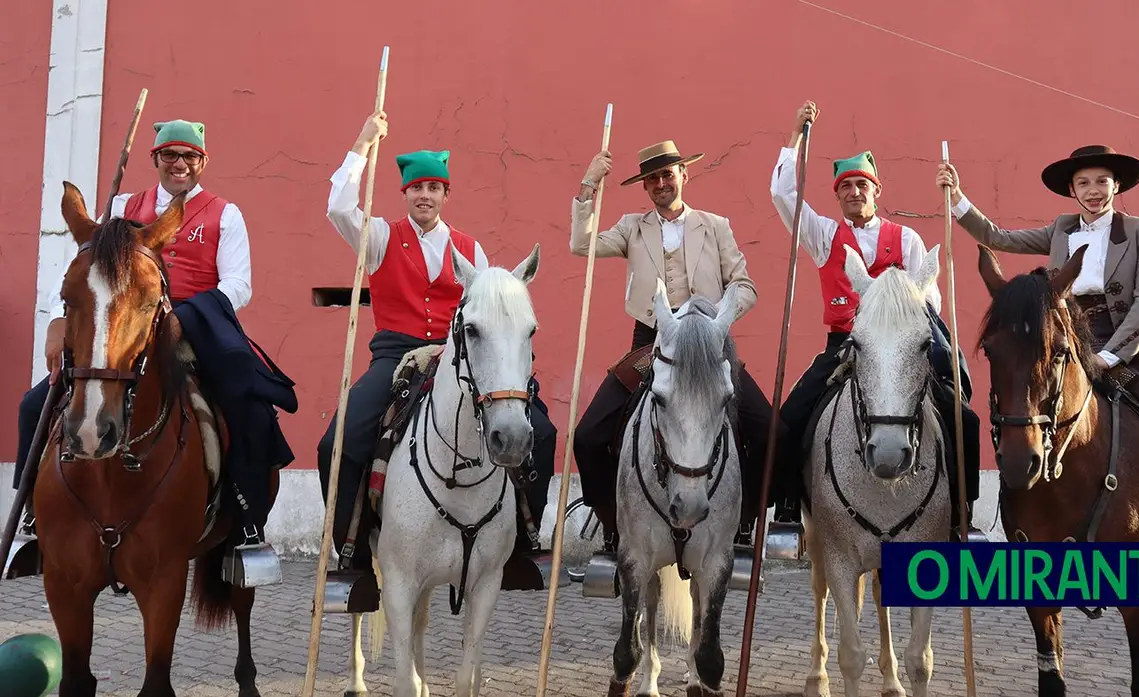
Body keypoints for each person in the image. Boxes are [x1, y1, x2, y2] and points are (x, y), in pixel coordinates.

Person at [938, 144, 1139, 544]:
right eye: (1083, 183)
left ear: (1116, 186)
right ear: (1072, 190)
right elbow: (998, 237)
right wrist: (957, 198)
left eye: (1101, 181)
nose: (1093, 190)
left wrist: (1109, 356)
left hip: (1132, 350)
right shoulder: (1061, 229)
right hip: (1064, 346)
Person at [12, 120, 293, 541]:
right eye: (170, 155)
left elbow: (238, 284)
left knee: (250, 409)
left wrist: (186, 317)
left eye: (189, 156)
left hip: (195, 326)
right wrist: (56, 317)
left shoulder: (224, 213)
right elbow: (83, 270)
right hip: (125, 324)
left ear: (203, 161)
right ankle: (34, 515)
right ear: (155, 160)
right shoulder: (125, 206)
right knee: (34, 404)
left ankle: (245, 521)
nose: (180, 164)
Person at [320, 110, 558, 589]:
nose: (424, 195)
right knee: (336, 443)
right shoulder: (382, 238)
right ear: (405, 193)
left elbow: (490, 318)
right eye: (416, 188)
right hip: (396, 357)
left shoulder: (472, 251)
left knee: (543, 432)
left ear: (446, 194)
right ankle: (354, 552)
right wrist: (363, 143)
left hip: (461, 358)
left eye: (433, 188)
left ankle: (525, 538)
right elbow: (339, 208)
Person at [770, 101, 983, 541]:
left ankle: (962, 514)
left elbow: (930, 299)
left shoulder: (906, 239)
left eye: (861, 185)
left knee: (963, 417)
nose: (853, 193)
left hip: (900, 346)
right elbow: (783, 196)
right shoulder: (824, 235)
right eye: (845, 186)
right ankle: (789, 509)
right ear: (837, 195)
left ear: (877, 189)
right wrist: (795, 136)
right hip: (845, 343)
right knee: (790, 415)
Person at [569, 139, 785, 556]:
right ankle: (615, 528)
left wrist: (719, 318)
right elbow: (583, 245)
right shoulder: (633, 227)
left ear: (684, 175)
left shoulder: (715, 225)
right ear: (646, 187)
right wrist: (588, 187)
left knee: (771, 431)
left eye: (668, 174)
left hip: (708, 342)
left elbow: (745, 285)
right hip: (651, 343)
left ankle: (743, 522)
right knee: (589, 436)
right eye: (653, 178)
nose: (661, 183)